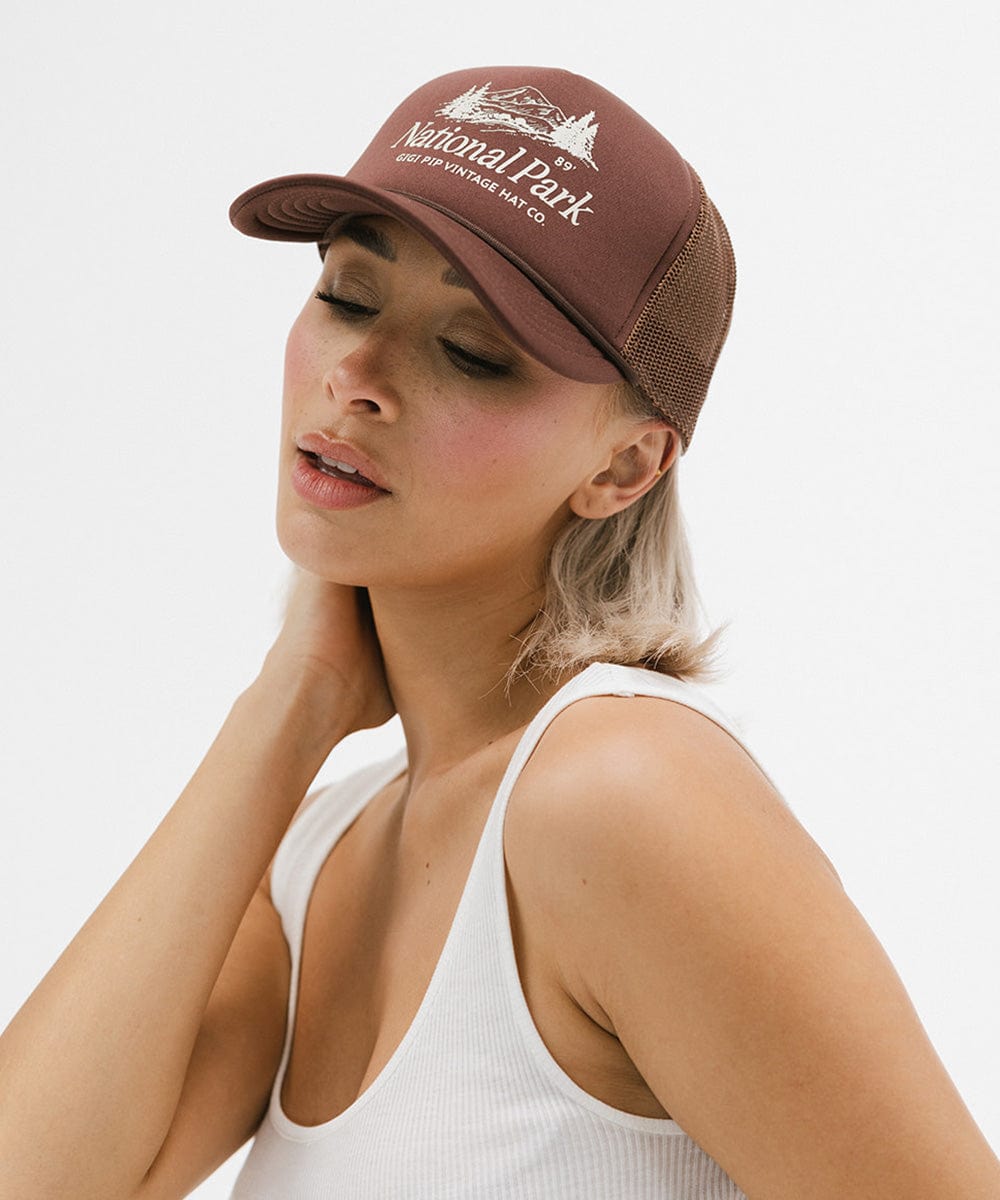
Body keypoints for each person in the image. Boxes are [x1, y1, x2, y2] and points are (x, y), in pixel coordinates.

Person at [0, 64, 997, 1200]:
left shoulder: (623, 792)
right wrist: (286, 707)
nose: (355, 378)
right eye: (348, 296)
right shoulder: (318, 860)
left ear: (624, 467)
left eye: (471, 352)